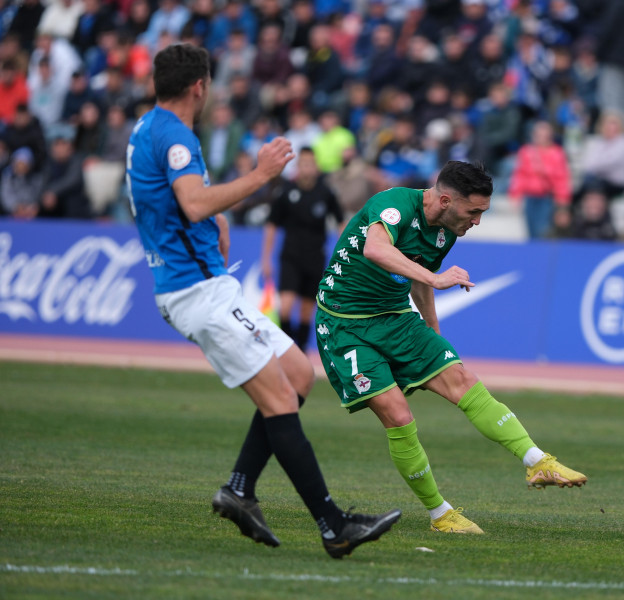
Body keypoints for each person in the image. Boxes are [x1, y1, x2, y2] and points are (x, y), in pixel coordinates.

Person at [126, 43, 400, 560]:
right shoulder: (176, 136)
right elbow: (190, 200)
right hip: (196, 289)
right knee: (278, 401)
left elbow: (168, 203)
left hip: (205, 281)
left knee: (298, 376)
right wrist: (260, 175)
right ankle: (333, 525)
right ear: (199, 87)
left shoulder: (148, 130)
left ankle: (239, 489)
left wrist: (216, 221)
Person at [314, 160, 587, 535]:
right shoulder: (394, 205)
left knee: (461, 378)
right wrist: (436, 278)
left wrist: (433, 332)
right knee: (398, 414)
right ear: (444, 200)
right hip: (345, 325)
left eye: (482, 213)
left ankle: (538, 461)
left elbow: (418, 278)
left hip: (394, 317)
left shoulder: (445, 231)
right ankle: (440, 515)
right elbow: (376, 249)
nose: (477, 221)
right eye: (473, 212)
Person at [262, 146, 344, 349]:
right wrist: (266, 258)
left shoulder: (326, 193)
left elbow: (340, 223)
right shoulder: (286, 191)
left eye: (311, 164)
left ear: (316, 167)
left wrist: (344, 254)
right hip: (290, 256)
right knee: (286, 307)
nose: (307, 168)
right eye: (303, 164)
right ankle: (286, 349)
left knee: (307, 310)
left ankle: (301, 353)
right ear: (298, 167)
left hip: (315, 257)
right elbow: (272, 225)